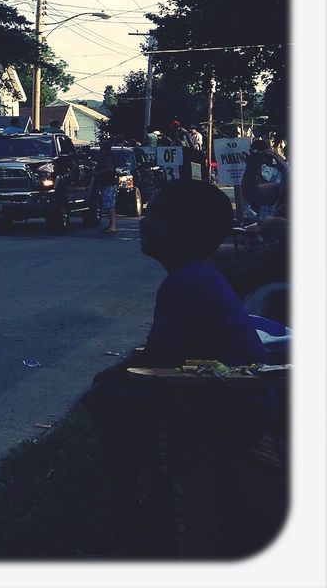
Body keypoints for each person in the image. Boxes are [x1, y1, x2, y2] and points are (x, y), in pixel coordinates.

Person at [81, 180, 271, 545]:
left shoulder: (186, 283)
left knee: (107, 399)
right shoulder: (195, 278)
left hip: (233, 405)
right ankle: (148, 498)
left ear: (194, 234)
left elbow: (158, 357)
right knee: (114, 394)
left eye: (159, 217)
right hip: (231, 395)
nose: (147, 223)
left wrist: (112, 376)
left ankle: (137, 508)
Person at [94, 150, 120, 234]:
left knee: (110, 205)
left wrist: (98, 173)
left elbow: (109, 168)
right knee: (108, 205)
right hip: (107, 184)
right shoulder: (108, 157)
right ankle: (110, 225)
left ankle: (113, 226)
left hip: (109, 184)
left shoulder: (108, 158)